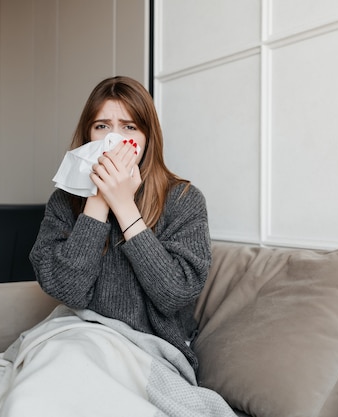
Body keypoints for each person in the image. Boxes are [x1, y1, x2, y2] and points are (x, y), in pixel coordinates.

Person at [29, 75, 212, 372]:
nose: (113, 140)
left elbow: (175, 295)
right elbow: (67, 290)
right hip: (80, 338)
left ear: (147, 137)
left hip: (150, 348)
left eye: (129, 127)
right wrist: (98, 201)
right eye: (102, 126)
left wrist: (124, 206)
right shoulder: (64, 202)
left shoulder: (184, 200)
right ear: (88, 134)